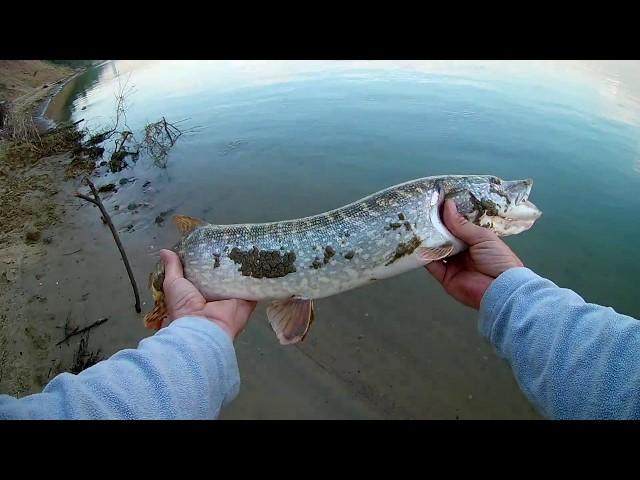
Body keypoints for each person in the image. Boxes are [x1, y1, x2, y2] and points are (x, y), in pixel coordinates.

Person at [1, 200, 638, 419]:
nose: (509, 199)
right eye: (495, 193)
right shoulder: (449, 216)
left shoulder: (442, 227)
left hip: (224, 289)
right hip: (213, 259)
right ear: (458, 205)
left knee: (295, 272)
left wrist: (194, 338)